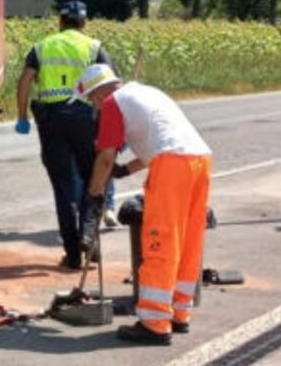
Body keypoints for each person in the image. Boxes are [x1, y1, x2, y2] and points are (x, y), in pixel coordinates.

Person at [74, 64, 212, 345]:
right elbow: (158, 142)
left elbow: (104, 157)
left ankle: (154, 323)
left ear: (99, 94)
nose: (95, 106)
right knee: (187, 241)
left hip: (172, 166)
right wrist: (125, 171)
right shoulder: (146, 93)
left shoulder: (113, 103)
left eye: (92, 100)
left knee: (160, 241)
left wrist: (94, 194)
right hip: (199, 160)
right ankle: (179, 313)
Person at [15, 1, 116, 270]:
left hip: (51, 121)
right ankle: (89, 240)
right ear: (84, 23)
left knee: (63, 189)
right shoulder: (94, 47)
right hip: (86, 120)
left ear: (59, 22)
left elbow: (25, 80)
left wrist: (22, 116)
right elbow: (112, 85)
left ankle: (72, 254)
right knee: (93, 180)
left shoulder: (42, 47)